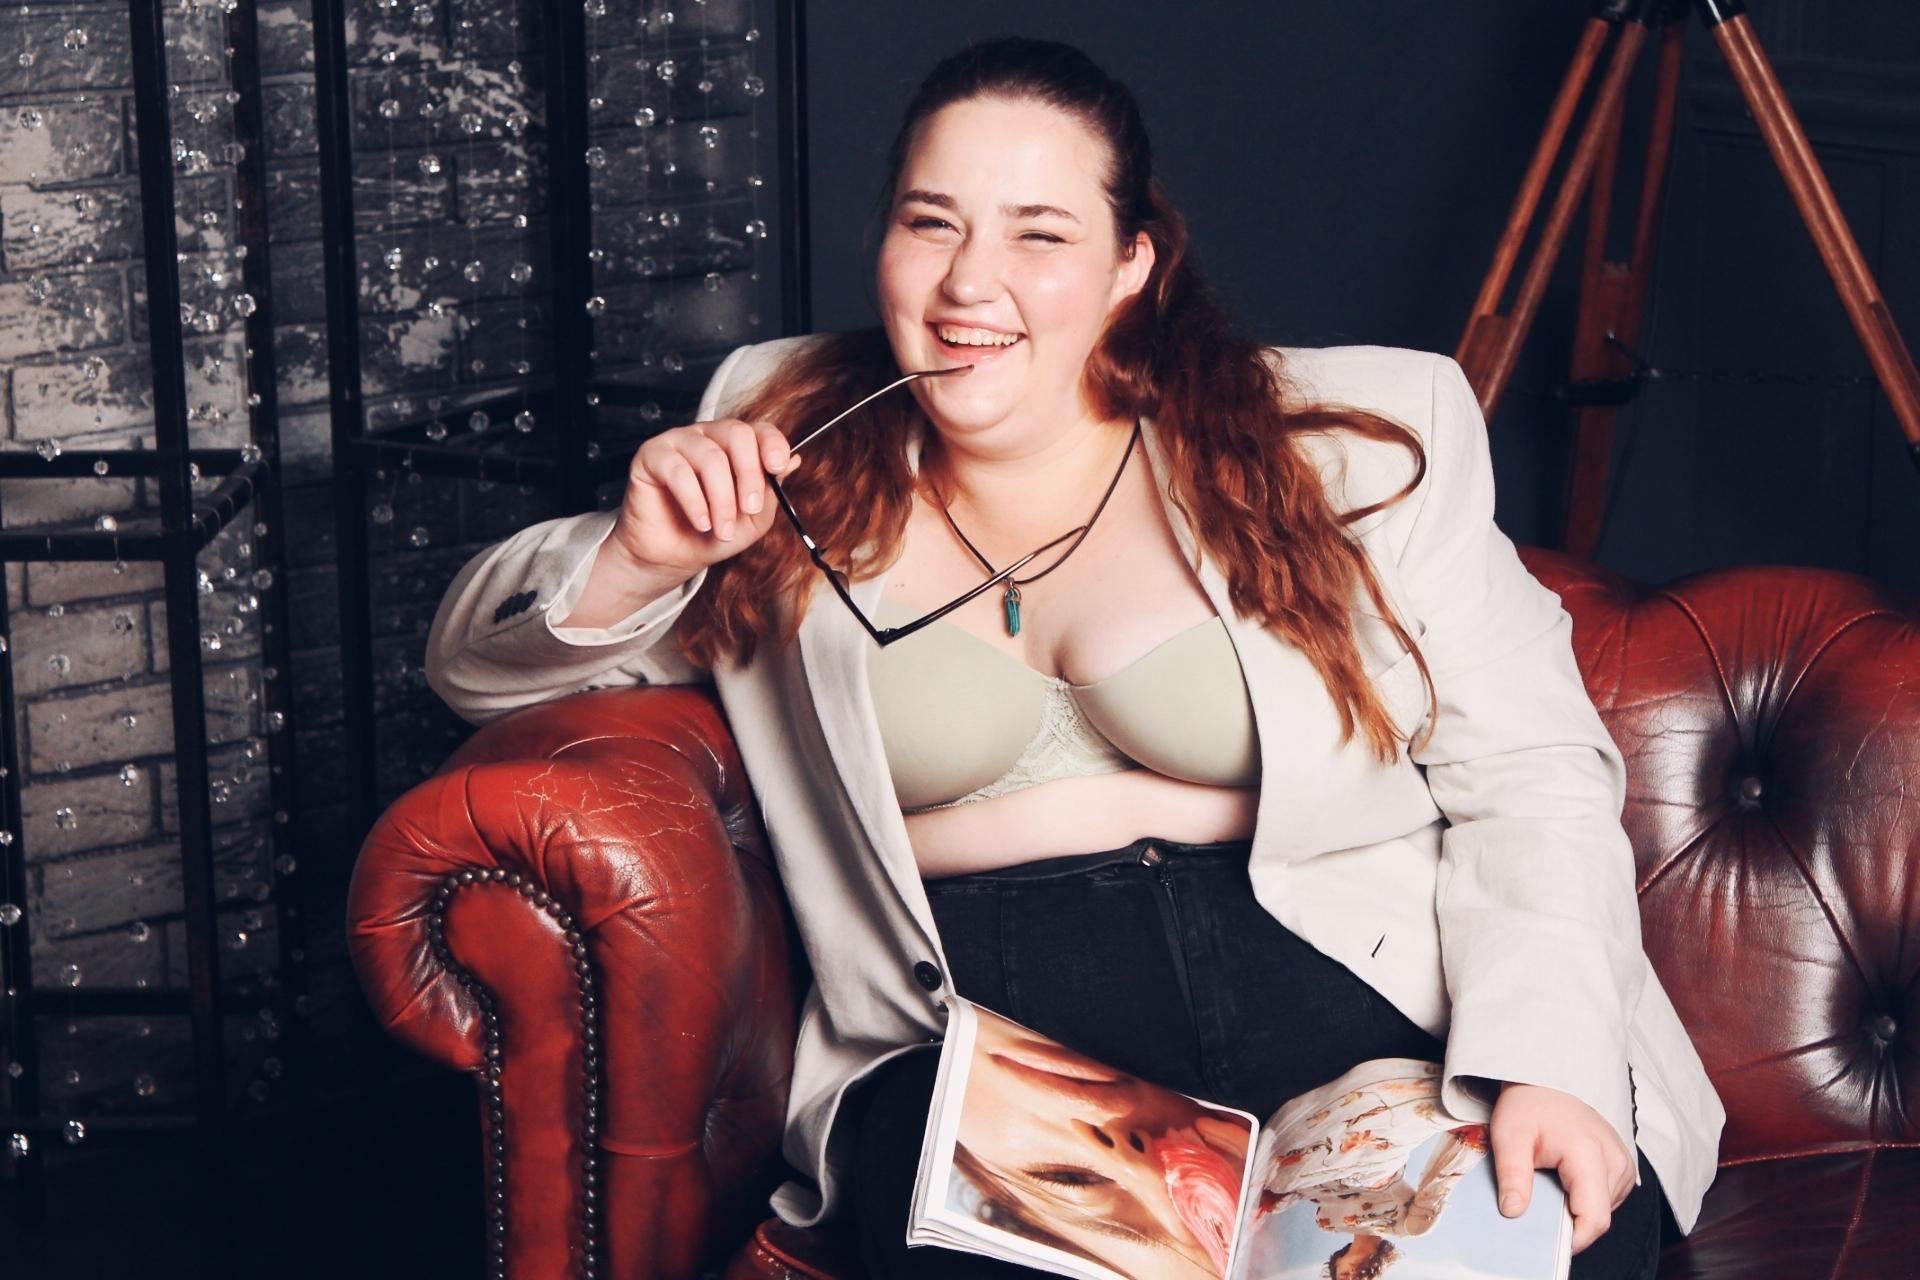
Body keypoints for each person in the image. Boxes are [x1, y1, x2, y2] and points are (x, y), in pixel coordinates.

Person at [424, 36, 1723, 1280]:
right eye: (932, 223)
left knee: (1529, 1245)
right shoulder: (783, 432)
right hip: (991, 1048)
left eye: (1039, 234)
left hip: (1364, 999)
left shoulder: (1350, 436)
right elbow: (474, 673)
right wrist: (639, 556)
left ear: (1130, 265)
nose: (968, 283)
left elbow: (1535, 768)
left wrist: (1542, 1058)